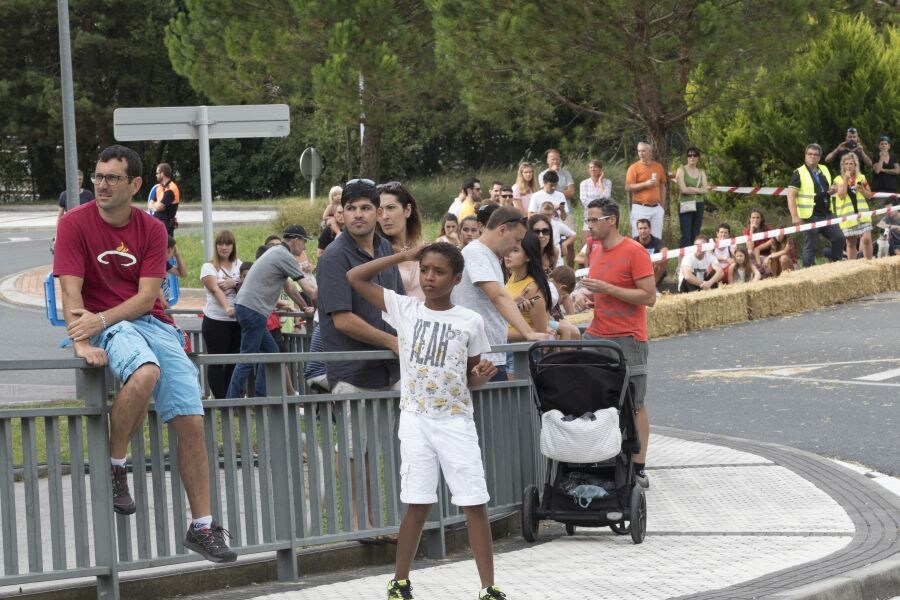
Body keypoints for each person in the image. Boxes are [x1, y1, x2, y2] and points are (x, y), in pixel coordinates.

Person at [53, 144, 235, 563]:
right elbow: (70, 289)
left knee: (190, 417)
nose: (101, 184)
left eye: (112, 177)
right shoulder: (75, 223)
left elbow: (147, 297)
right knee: (145, 373)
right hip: (107, 323)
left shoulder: (152, 229)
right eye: (98, 176)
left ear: (135, 184)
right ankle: (117, 465)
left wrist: (96, 324)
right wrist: (83, 338)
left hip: (149, 321)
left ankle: (202, 527)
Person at [345, 243, 505, 600]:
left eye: (439, 272)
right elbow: (355, 277)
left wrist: (483, 372)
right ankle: (400, 581)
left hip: (455, 421)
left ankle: (488, 587)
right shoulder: (406, 309)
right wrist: (403, 257)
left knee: (474, 501)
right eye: (426, 270)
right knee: (417, 502)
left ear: (457, 278)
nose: (430, 278)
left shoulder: (470, 321)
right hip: (416, 420)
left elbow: (473, 377)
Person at [317, 178, 406, 531]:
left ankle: (384, 521)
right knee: (356, 451)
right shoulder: (335, 256)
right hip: (353, 370)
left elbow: (396, 303)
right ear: (341, 212)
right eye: (351, 208)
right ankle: (359, 524)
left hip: (389, 370)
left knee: (386, 452)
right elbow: (342, 320)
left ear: (378, 211)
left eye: (365, 207)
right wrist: (390, 342)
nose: (357, 215)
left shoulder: (384, 247)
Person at [580, 199, 655, 487]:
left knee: (635, 403)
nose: (590, 225)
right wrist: (588, 296)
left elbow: (649, 297)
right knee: (587, 393)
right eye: (588, 220)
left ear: (611, 220)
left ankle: (639, 467)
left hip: (627, 338)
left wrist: (608, 289)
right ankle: (597, 457)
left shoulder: (634, 251)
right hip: (597, 333)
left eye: (594, 220)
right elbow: (600, 291)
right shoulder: (594, 249)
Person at [452, 206, 551, 381]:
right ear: (502, 229)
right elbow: (496, 296)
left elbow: (485, 304)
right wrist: (529, 333)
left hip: (489, 356)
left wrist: (513, 303)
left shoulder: (487, 256)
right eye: (517, 239)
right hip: (482, 359)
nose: (516, 245)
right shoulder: (477, 252)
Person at [226, 225, 316, 398]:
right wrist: (319, 306)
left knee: (274, 355)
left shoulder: (274, 253)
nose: (304, 248)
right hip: (254, 310)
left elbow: (289, 287)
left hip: (246, 307)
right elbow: (309, 289)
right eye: (304, 243)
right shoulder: (284, 255)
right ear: (296, 240)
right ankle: (231, 402)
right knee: (247, 359)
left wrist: (304, 307)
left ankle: (262, 396)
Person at [199, 230, 243, 399]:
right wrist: (227, 308)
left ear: (233, 246)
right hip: (216, 320)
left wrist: (235, 282)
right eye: (220, 244)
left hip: (237, 320)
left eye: (227, 244)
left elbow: (247, 281)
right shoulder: (208, 267)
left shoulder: (239, 264)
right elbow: (216, 289)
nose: (224, 247)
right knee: (216, 361)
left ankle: (231, 396)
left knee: (234, 359)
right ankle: (220, 399)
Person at [787, 143, 845, 266]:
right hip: (810, 216)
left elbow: (827, 188)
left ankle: (836, 264)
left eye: (815, 155)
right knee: (811, 247)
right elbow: (791, 196)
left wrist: (832, 189)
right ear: (805, 156)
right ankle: (809, 274)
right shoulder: (798, 172)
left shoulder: (824, 169)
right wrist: (794, 216)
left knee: (839, 238)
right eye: (810, 154)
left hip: (827, 213)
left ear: (819, 157)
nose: (812, 157)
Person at [378, 181, 425, 300]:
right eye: (379, 210)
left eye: (391, 208)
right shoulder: (375, 252)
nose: (384, 216)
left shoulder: (423, 248)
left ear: (407, 210)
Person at [504, 232, 551, 345]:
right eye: (508, 249)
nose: (508, 254)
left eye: (515, 250)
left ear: (528, 256)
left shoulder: (532, 288)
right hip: (508, 348)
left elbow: (541, 332)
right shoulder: (513, 276)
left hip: (522, 353)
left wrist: (503, 334)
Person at [833, 152, 875, 260]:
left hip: (863, 213)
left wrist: (862, 190)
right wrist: (846, 179)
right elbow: (841, 195)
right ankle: (853, 265)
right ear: (843, 166)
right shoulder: (838, 179)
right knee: (851, 242)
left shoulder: (861, 177)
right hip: (848, 216)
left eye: (851, 163)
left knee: (866, 239)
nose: (849, 166)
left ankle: (869, 263)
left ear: (855, 165)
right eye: (846, 164)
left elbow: (869, 195)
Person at [625, 142, 668, 239]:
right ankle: (638, 254)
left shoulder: (658, 167)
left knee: (656, 238)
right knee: (638, 237)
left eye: (643, 151)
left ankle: (654, 254)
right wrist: (645, 184)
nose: (641, 153)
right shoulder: (633, 168)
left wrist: (662, 206)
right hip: (640, 207)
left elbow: (662, 186)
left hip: (656, 208)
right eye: (639, 151)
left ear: (650, 152)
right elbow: (628, 187)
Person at [674, 147, 709, 249]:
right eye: (690, 155)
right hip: (685, 203)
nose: (692, 157)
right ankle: (682, 260)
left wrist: (691, 188)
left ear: (698, 158)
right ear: (687, 157)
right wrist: (698, 190)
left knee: (695, 232)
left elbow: (705, 189)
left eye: (694, 155)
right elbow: (683, 190)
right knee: (686, 233)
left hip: (699, 204)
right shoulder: (681, 170)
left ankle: (694, 257)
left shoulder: (701, 171)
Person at [538, 149, 576, 228]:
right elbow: (547, 192)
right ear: (547, 161)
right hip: (549, 213)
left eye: (557, 159)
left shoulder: (566, 174)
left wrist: (556, 193)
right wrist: (553, 173)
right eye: (552, 159)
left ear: (560, 160)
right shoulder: (542, 175)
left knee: (568, 236)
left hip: (565, 211)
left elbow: (571, 192)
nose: (555, 161)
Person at [537, 201, 575, 267]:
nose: (546, 217)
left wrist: (564, 244)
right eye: (544, 214)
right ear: (539, 213)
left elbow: (573, 235)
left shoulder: (557, 225)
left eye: (548, 215)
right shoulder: (535, 225)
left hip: (557, 261)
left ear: (552, 215)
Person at [579, 159, 612, 233]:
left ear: (600, 169)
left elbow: (606, 198)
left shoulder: (607, 182)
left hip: (603, 215)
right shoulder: (584, 183)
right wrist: (598, 205)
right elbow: (584, 200)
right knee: (588, 241)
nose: (592, 169)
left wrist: (600, 181)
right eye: (590, 167)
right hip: (588, 215)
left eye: (595, 167)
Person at [633, 218, 668, 288]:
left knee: (661, 262)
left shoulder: (657, 241)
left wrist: (651, 262)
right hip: (638, 269)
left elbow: (665, 251)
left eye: (645, 228)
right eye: (640, 228)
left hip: (653, 269)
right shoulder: (633, 242)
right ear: (637, 230)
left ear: (649, 229)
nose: (643, 231)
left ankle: (652, 287)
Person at [149, 163, 180, 236]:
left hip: (166, 225)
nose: (156, 175)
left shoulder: (171, 189)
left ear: (162, 174)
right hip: (158, 223)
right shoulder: (159, 188)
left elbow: (159, 206)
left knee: (168, 246)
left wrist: (155, 205)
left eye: (157, 173)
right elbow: (150, 204)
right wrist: (156, 207)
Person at [744, 209, 774, 274]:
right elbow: (750, 248)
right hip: (753, 256)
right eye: (753, 218)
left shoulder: (768, 229)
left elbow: (773, 241)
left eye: (758, 218)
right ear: (750, 219)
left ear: (761, 219)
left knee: (768, 263)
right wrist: (751, 231)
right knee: (749, 252)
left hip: (766, 254)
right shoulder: (746, 231)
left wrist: (759, 248)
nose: (755, 220)